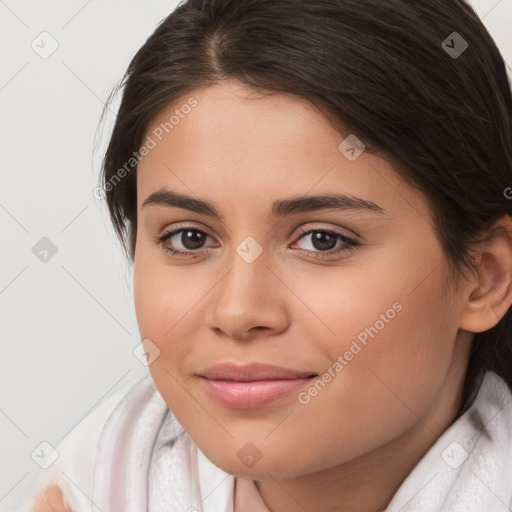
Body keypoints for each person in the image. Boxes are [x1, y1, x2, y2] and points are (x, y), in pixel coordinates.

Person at [20, 0, 512, 511]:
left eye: (323, 239)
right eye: (189, 238)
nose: (237, 312)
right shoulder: (84, 489)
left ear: (485, 277)